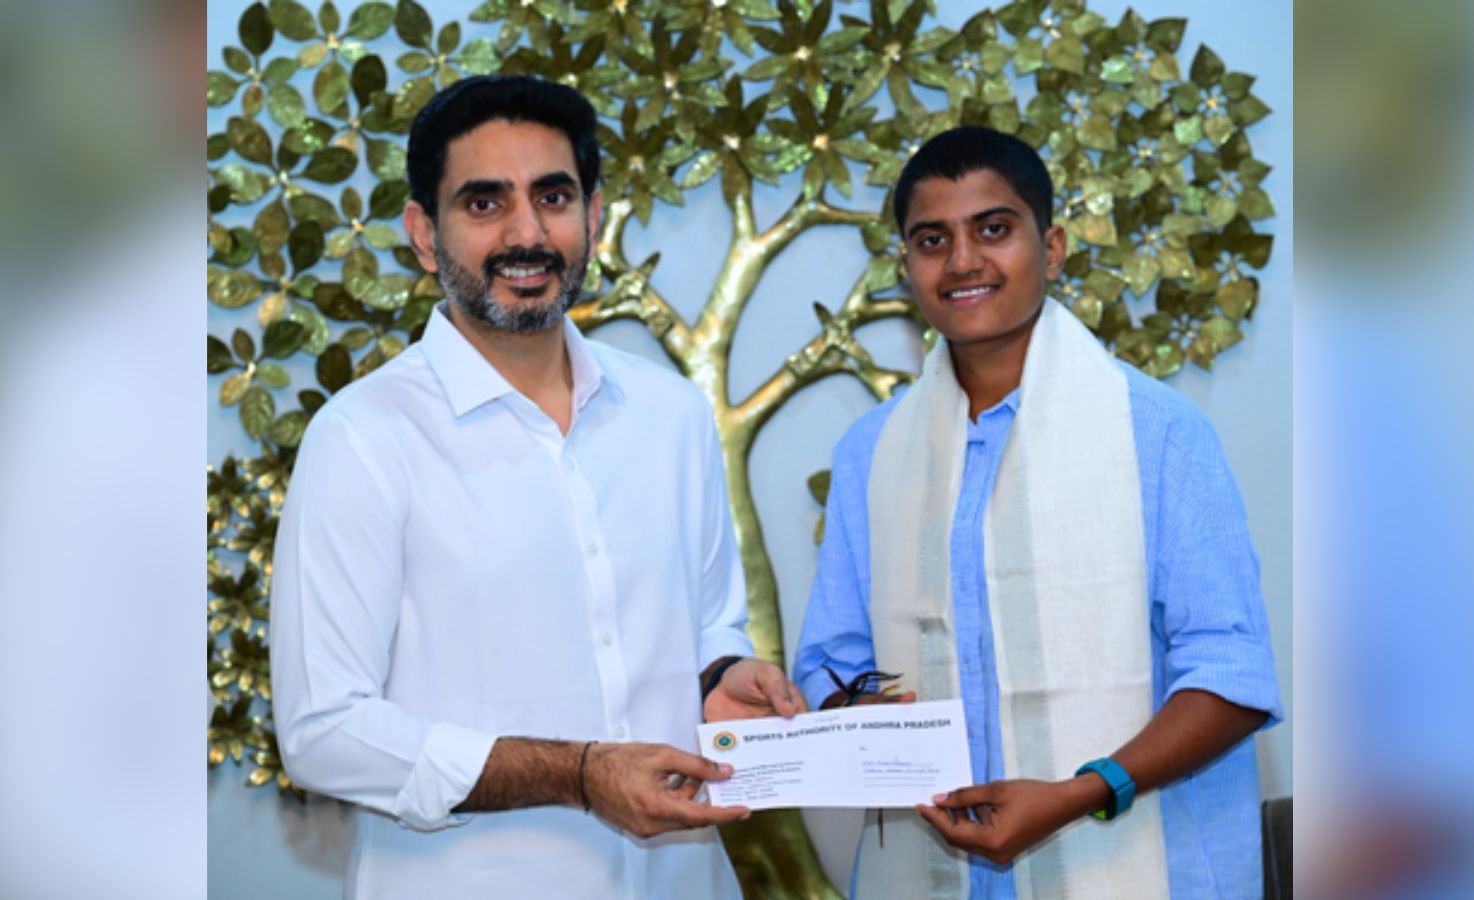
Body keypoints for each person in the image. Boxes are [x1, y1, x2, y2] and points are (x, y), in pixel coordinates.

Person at [270, 74, 806, 899]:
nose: (527, 233)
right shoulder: (363, 438)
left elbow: (706, 624)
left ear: (593, 216)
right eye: (485, 203)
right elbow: (323, 731)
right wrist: (578, 774)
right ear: (424, 234)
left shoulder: (669, 414)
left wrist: (719, 677)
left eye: (552, 198)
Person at [792, 126, 1282, 899]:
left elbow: (1231, 674)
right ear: (907, 265)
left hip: (1138, 861)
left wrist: (1084, 791)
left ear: (1051, 249)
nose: (962, 261)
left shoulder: (1155, 433)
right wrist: (866, 715)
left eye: (994, 229)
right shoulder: (872, 453)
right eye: (932, 240)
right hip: (929, 868)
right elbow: (834, 659)